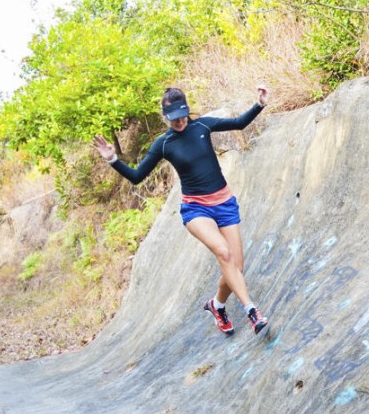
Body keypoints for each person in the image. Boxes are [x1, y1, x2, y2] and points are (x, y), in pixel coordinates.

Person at [93, 86, 270, 337]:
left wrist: (259, 104)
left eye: (182, 115)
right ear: (164, 116)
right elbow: (137, 176)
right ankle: (252, 312)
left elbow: (239, 123)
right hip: (196, 209)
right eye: (173, 118)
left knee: (235, 267)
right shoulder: (164, 144)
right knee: (223, 252)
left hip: (225, 204)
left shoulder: (203, 126)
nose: (179, 121)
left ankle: (217, 305)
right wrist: (113, 160)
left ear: (187, 109)